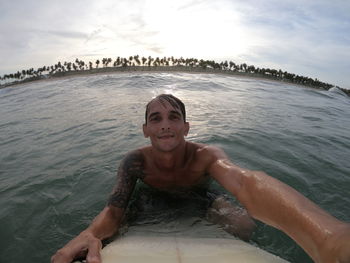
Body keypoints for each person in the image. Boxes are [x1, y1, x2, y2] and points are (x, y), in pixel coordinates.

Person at [52, 94, 350, 263]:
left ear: (186, 126)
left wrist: (329, 238)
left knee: (243, 225)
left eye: (173, 117)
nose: (165, 125)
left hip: (199, 199)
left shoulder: (206, 156)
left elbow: (245, 183)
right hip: (150, 201)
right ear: (145, 129)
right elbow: (113, 210)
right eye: (156, 119)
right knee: (111, 234)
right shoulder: (135, 161)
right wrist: (92, 232)